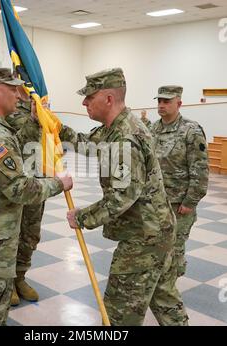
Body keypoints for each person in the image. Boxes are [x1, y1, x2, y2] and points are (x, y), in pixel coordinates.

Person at [64, 68, 188, 326]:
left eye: (89, 96)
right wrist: (53, 127)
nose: (84, 102)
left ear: (108, 98)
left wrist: (82, 217)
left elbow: (123, 196)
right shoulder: (115, 128)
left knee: (119, 314)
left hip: (143, 239)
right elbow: (86, 143)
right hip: (157, 231)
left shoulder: (125, 136)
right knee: (165, 301)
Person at [0, 67, 73, 326]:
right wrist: (59, 183)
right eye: (12, 90)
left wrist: (33, 122)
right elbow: (20, 189)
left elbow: (13, 151)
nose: (18, 96)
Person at [150, 86, 209, 277]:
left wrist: (190, 202)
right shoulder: (153, 129)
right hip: (155, 202)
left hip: (178, 205)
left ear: (179, 103)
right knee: (156, 245)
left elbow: (200, 171)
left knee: (174, 248)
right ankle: (160, 285)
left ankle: (170, 292)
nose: (161, 105)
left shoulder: (191, 131)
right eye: (159, 101)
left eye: (167, 101)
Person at [5, 95, 45, 305]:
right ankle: (8, 281)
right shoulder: (8, 108)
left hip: (37, 180)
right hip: (15, 181)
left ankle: (20, 277)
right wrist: (33, 118)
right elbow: (15, 143)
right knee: (12, 233)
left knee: (30, 234)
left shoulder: (40, 106)